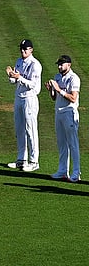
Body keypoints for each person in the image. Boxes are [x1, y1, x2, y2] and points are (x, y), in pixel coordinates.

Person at [6, 39, 42, 172]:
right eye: (21, 48)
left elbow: (33, 85)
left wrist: (19, 77)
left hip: (30, 99)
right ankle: (21, 159)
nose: (22, 51)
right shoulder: (19, 61)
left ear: (31, 50)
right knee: (19, 129)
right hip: (19, 98)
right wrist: (11, 75)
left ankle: (34, 161)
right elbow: (14, 80)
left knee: (30, 129)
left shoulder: (35, 64)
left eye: (25, 49)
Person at [44, 55, 81, 182]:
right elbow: (54, 98)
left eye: (62, 64)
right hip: (58, 112)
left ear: (69, 65)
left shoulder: (74, 78)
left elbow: (73, 98)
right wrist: (51, 91)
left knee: (73, 143)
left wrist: (59, 89)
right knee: (61, 143)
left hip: (69, 113)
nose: (59, 67)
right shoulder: (57, 77)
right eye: (58, 64)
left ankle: (76, 173)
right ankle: (62, 171)